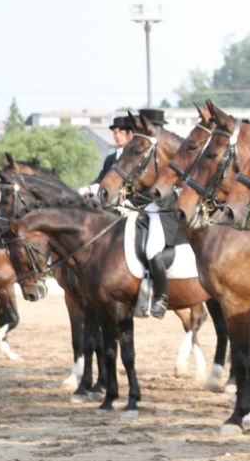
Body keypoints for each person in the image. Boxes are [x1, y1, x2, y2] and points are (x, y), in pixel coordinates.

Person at [135, 107, 184, 318]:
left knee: (152, 249)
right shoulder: (148, 153)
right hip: (147, 208)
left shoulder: (174, 154)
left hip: (165, 212)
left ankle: (161, 297)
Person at [79, 115, 135, 198]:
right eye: (115, 133)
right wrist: (89, 188)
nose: (117, 136)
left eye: (121, 133)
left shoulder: (134, 158)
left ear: (129, 135)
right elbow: (101, 179)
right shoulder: (110, 159)